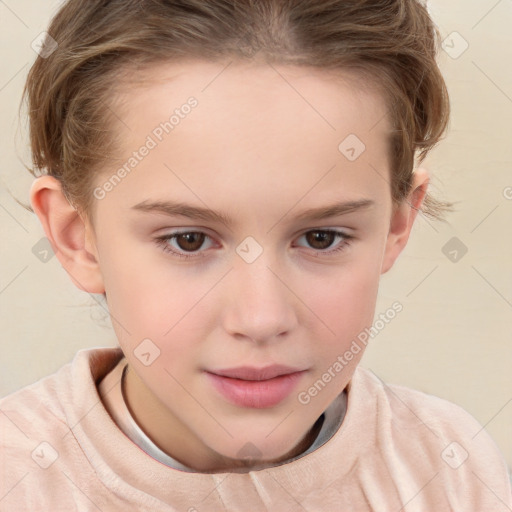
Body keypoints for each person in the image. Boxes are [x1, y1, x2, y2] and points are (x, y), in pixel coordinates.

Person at [1, 0, 510, 510]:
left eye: (321, 238)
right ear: (76, 237)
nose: (262, 319)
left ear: (396, 224)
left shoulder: (446, 467)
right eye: (189, 240)